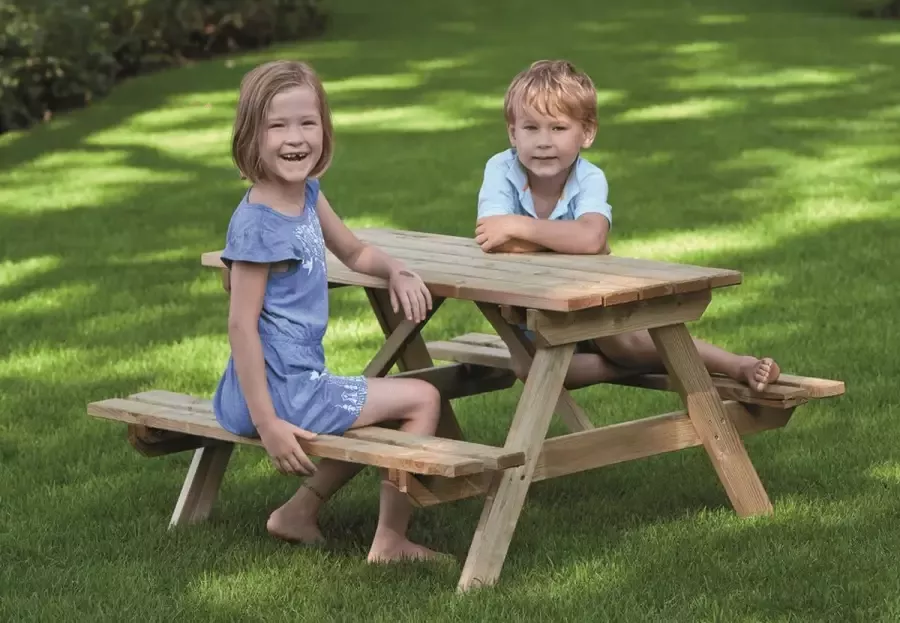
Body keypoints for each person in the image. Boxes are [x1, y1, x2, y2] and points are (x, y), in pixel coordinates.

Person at [213, 59, 446, 563]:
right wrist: (271, 424)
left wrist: (397, 270)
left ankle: (298, 512)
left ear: (324, 128)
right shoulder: (259, 226)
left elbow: (356, 252)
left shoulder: (305, 195)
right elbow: (240, 326)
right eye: (278, 125)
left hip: (277, 388)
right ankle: (390, 540)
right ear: (251, 136)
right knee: (423, 397)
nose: (295, 138)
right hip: (282, 397)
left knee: (367, 409)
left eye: (307, 122)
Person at [474, 60, 780, 392]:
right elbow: (494, 240)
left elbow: (591, 239)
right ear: (512, 133)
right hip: (529, 307)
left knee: (625, 345)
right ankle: (634, 369)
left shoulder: (589, 178)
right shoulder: (500, 169)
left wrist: (520, 227)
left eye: (558, 128)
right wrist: (571, 240)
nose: (543, 141)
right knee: (533, 369)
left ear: (587, 133)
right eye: (530, 128)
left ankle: (738, 365)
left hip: (589, 300)